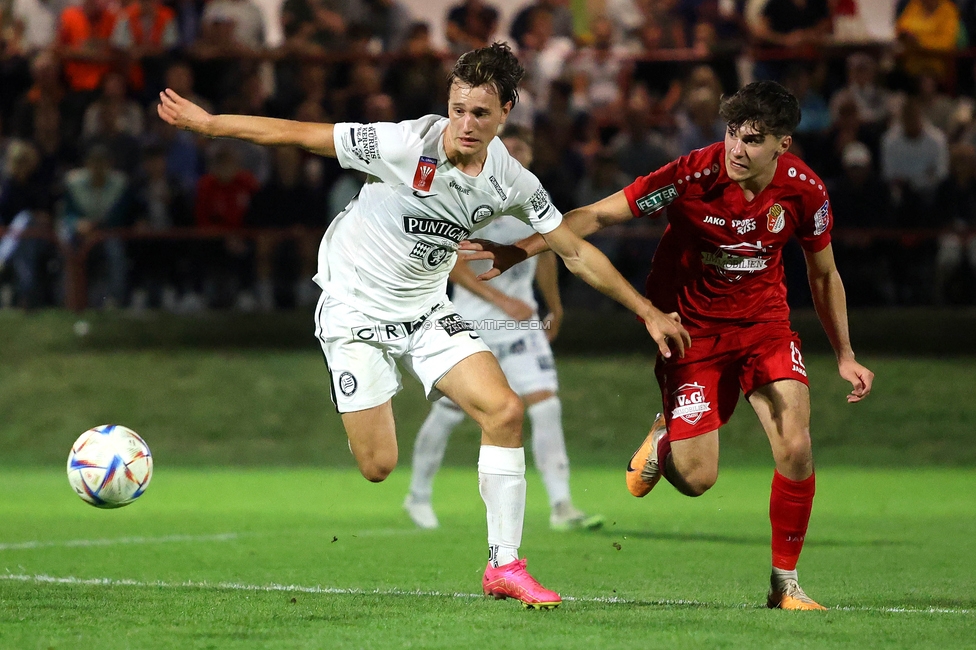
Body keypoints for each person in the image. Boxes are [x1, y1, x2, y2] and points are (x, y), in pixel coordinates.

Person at [157, 42, 690, 609]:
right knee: (378, 466)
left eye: (480, 113)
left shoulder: (512, 181)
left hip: (426, 310)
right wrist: (211, 124)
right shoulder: (403, 143)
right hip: (353, 307)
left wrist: (648, 311)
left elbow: (575, 252)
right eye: (458, 108)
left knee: (505, 411)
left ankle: (504, 566)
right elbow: (299, 133)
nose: (464, 123)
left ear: (506, 112)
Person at [461, 81, 875, 611]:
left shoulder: (805, 191)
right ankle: (664, 439)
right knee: (699, 479)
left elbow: (824, 274)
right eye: (732, 134)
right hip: (691, 330)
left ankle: (784, 585)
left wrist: (844, 353)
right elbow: (597, 215)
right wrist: (520, 251)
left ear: (782, 144)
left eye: (752, 139)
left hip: (765, 326)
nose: (737, 149)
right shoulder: (692, 174)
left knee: (795, 444)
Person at [404, 125, 604, 532]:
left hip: (522, 325)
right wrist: (501, 301)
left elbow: (547, 251)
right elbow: (452, 262)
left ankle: (562, 505)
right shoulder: (467, 191)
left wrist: (554, 305)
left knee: (546, 406)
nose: (515, 152)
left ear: (529, 154)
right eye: (508, 146)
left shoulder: (530, 195)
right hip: (472, 323)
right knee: (448, 414)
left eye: (522, 147)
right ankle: (417, 496)